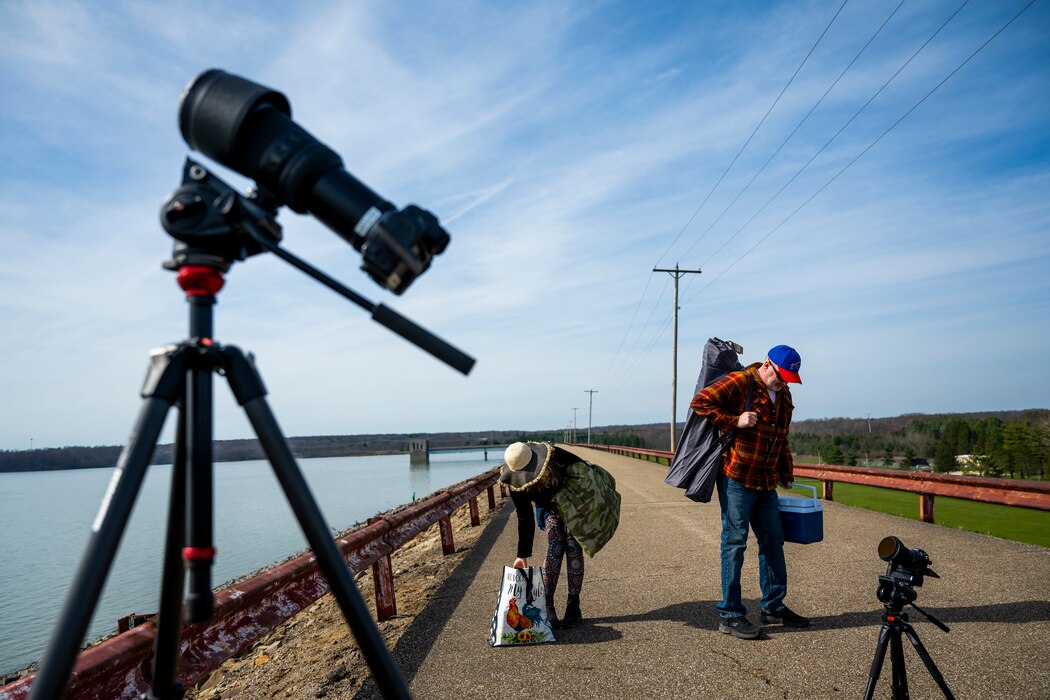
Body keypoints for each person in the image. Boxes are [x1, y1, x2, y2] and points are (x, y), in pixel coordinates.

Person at [689, 344, 810, 639]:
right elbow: (700, 402)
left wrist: (786, 471)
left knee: (773, 542)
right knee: (735, 543)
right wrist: (735, 420)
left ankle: (773, 607)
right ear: (767, 365)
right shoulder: (742, 381)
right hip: (737, 478)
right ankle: (730, 613)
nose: (782, 384)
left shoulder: (784, 395)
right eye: (780, 377)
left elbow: (782, 437)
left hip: (767, 480)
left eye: (788, 380)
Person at [500, 441, 585, 628]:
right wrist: (522, 554)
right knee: (555, 542)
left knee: (572, 544)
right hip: (547, 509)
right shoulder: (515, 484)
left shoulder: (554, 455)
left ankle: (573, 605)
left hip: (573, 503)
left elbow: (584, 470)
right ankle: (547, 604)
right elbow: (524, 517)